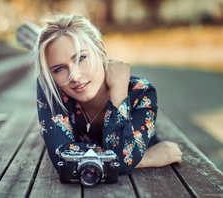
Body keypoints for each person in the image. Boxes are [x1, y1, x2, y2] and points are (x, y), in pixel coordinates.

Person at [34, 13, 182, 175]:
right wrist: (146, 158)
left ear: (101, 50)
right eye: (59, 69)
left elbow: (73, 157)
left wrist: (118, 89)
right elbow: (63, 159)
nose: (75, 77)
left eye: (81, 58)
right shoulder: (52, 90)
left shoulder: (140, 91)